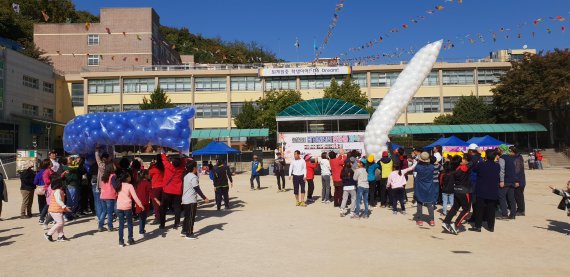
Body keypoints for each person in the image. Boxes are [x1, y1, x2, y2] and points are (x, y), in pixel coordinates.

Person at [469, 149, 500, 232]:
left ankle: (478, 226)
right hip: (493, 189)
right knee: (491, 209)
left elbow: (474, 169)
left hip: (481, 189)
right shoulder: (497, 166)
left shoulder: (481, 165)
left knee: (479, 209)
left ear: (486, 156)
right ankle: (491, 226)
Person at [442, 156, 472, 235]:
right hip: (464, 191)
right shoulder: (463, 168)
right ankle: (456, 224)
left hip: (456, 190)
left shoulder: (455, 168)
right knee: (466, 209)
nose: (463, 160)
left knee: (455, 207)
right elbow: (472, 162)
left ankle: (446, 221)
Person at [181, 161, 210, 239]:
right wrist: (204, 198)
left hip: (185, 199)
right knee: (191, 217)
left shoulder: (186, 176)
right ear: (194, 168)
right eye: (196, 166)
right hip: (191, 200)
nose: (197, 168)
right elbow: (196, 188)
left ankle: (184, 230)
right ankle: (189, 233)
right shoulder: (193, 177)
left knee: (186, 216)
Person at [159, 149, 187, 230]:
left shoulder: (168, 167)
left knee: (163, 207)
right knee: (177, 208)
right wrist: (180, 151)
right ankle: (176, 223)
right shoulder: (181, 168)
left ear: (172, 162)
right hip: (177, 191)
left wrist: (162, 151)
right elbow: (183, 161)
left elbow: (163, 159)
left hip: (167, 190)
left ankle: (162, 224)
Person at [114, 172, 144, 247]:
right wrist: (140, 205)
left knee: (121, 224)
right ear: (127, 178)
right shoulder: (129, 186)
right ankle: (130, 239)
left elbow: (116, 195)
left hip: (119, 206)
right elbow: (135, 197)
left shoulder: (119, 185)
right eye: (129, 176)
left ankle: (121, 241)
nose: (131, 178)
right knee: (130, 223)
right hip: (127, 207)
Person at [413, 152, 437, 227]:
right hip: (429, 186)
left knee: (419, 203)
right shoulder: (431, 167)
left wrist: (418, 161)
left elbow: (415, 168)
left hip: (420, 186)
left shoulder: (418, 167)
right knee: (430, 203)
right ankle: (431, 220)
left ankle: (420, 220)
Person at [44, 176, 71, 242]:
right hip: (55, 210)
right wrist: (64, 206)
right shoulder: (57, 191)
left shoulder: (57, 190)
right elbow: (58, 200)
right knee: (60, 223)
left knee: (61, 222)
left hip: (57, 209)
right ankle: (48, 234)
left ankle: (60, 236)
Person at [498, 144, 517, 220]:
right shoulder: (511, 157)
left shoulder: (502, 158)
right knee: (511, 198)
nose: (498, 150)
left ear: (502, 150)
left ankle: (504, 214)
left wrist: (501, 180)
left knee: (501, 196)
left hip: (505, 180)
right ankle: (513, 214)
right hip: (512, 180)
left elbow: (501, 170)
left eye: (499, 149)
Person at [99, 163, 117, 232]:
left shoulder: (104, 176)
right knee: (110, 213)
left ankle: (100, 226)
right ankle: (110, 227)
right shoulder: (113, 176)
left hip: (103, 196)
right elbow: (115, 185)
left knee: (104, 211)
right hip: (110, 196)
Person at [135, 170, 153, 237]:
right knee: (143, 217)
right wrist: (156, 200)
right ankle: (141, 231)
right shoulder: (147, 183)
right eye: (148, 174)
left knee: (141, 217)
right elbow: (151, 193)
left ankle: (142, 230)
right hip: (144, 203)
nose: (149, 175)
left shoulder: (137, 183)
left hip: (138, 202)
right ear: (145, 175)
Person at [148, 154, 164, 224]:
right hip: (163, 187)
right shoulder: (164, 167)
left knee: (155, 204)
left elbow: (148, 176)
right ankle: (162, 217)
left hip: (155, 187)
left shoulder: (154, 168)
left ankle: (158, 218)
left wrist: (151, 165)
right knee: (161, 203)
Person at [511, 147, 526, 216]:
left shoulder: (517, 159)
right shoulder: (519, 157)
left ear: (513, 152)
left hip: (519, 180)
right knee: (519, 195)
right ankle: (520, 209)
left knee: (518, 195)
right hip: (521, 180)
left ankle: (521, 210)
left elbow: (517, 171)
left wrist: (517, 181)